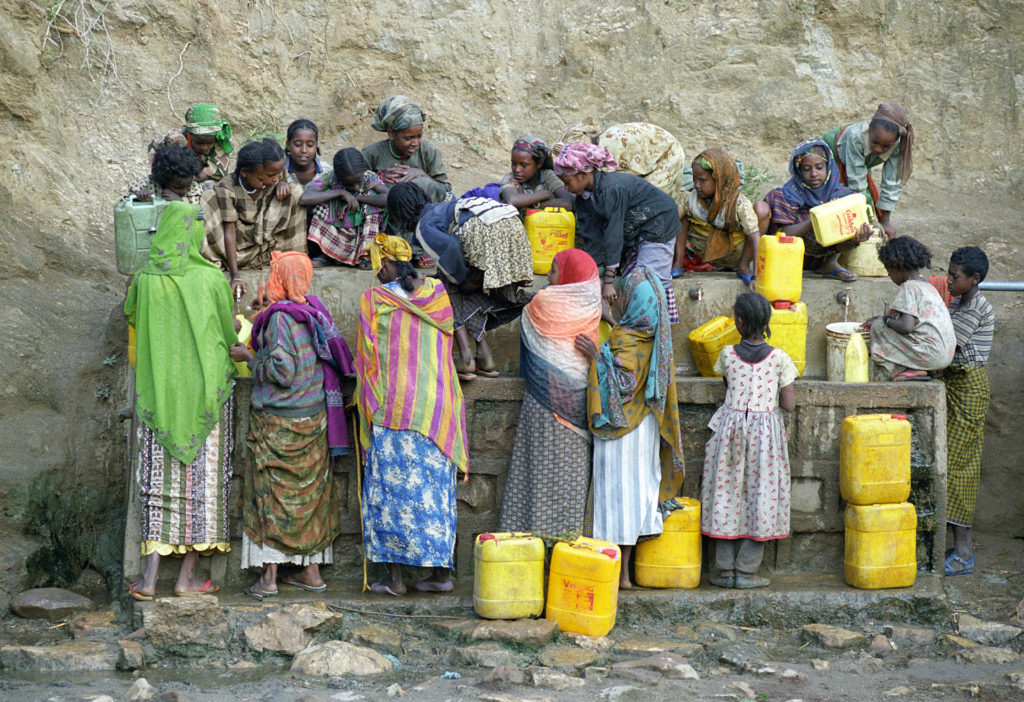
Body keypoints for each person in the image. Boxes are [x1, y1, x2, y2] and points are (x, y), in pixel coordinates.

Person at [124, 173, 237, 600]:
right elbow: (228, 335)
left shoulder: (145, 280)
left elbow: (132, 318)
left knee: (160, 485)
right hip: (206, 399)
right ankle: (187, 578)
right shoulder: (211, 280)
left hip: (160, 396)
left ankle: (149, 581)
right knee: (206, 487)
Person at [230, 251, 354, 600]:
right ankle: (311, 572)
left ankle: (269, 578)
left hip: (279, 423)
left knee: (272, 496)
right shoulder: (311, 310)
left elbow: (282, 371)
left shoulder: (281, 320)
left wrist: (250, 358)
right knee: (310, 498)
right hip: (313, 419)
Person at [355, 234, 468, 596]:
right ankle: (439, 575)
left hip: (394, 411)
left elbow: (367, 359)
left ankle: (395, 580)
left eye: (377, 264)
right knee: (434, 494)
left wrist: (367, 402)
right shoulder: (437, 294)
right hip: (437, 410)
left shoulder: (374, 300)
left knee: (391, 495)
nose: (375, 271)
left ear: (386, 264)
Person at [576, 267, 685, 589]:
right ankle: (631, 571)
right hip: (646, 428)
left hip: (619, 433)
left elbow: (621, 384)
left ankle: (617, 575)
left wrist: (596, 356)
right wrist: (612, 322)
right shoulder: (659, 342)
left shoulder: (623, 339)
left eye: (623, 295)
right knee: (637, 497)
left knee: (613, 502)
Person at [498, 249, 601, 535]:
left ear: (569, 276)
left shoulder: (543, 302)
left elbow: (529, 312)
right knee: (571, 476)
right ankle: (567, 540)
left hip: (543, 405)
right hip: (578, 404)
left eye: (554, 270)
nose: (548, 275)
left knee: (537, 473)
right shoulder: (592, 304)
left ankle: (529, 535)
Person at [388, 182, 534, 380]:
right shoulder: (443, 208)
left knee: (447, 285)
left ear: (400, 214)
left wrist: (462, 280)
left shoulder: (424, 225)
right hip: (514, 226)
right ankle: (485, 356)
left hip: (486, 229)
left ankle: (466, 356)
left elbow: (451, 248)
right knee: (481, 288)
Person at [701, 292, 797, 589]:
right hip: (765, 434)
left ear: (739, 322)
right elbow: (790, 404)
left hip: (730, 431)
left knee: (726, 494)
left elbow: (727, 385)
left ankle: (724, 570)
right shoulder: (780, 358)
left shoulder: (727, 355)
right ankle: (746, 571)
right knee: (762, 497)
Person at [554, 142, 682, 323]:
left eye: (567, 182)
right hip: (637, 229)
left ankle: (651, 329)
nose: (565, 188)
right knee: (630, 280)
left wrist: (607, 283)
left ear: (583, 175)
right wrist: (594, 277)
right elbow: (592, 237)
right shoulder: (584, 198)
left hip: (659, 223)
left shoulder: (610, 189)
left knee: (646, 282)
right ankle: (636, 328)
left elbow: (613, 235)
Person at [942, 246, 995, 576]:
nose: (948, 280)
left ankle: (964, 553)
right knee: (949, 465)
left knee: (960, 469)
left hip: (968, 388)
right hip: (954, 385)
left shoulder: (976, 306)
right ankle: (956, 546)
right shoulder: (959, 301)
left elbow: (948, 343)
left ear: (974, 279)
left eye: (954, 276)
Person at [203, 139, 306, 298]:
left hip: (267, 245)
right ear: (245, 172)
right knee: (208, 199)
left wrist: (284, 182)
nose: (275, 179)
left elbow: (280, 176)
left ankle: (291, 261)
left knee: (295, 192)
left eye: (278, 174)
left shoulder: (275, 176)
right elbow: (229, 233)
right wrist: (235, 275)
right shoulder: (228, 188)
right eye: (270, 175)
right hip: (237, 248)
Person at [763, 138, 874, 281]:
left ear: (828, 167)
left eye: (819, 167)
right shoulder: (787, 195)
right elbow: (784, 234)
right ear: (798, 170)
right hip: (791, 255)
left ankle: (830, 263)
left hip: (823, 255)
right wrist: (816, 219)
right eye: (806, 169)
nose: (814, 173)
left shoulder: (842, 195)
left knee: (846, 214)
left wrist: (856, 236)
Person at [362, 95, 452, 266]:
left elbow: (445, 189)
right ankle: (388, 247)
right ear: (391, 134)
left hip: (421, 217)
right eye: (408, 138)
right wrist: (379, 178)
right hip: (388, 216)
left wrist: (421, 174)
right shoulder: (373, 153)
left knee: (420, 186)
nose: (415, 143)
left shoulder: (428, 152)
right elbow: (356, 181)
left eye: (419, 136)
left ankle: (422, 248)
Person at [861, 237, 955, 381]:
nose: (889, 275)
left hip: (930, 355)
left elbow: (906, 326)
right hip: (945, 356)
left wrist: (885, 320)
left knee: (878, 328)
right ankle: (918, 369)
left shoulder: (909, 287)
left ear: (896, 267)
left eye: (889, 271)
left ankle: (906, 370)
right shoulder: (928, 286)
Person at [674, 148, 767, 289]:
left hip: (735, 252)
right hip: (704, 251)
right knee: (679, 216)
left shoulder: (738, 204)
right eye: (694, 179)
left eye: (702, 180)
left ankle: (743, 266)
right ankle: (678, 263)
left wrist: (756, 276)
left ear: (719, 180)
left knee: (759, 215)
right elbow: (671, 223)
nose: (697, 185)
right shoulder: (690, 199)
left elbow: (754, 238)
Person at [822, 103, 914, 237]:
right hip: (835, 151)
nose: (878, 149)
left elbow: (892, 182)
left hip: (861, 161)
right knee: (837, 200)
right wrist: (865, 223)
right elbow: (857, 185)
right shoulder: (856, 136)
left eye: (886, 146)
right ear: (869, 130)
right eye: (875, 142)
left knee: (865, 203)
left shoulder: (899, 144)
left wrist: (885, 222)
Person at [553, 120, 688, 207]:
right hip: (651, 158)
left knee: (650, 205)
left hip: (667, 156)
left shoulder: (609, 146)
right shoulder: (601, 148)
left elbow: (609, 187)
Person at [301, 148, 389, 268]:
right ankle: (327, 254)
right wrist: (341, 192)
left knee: (373, 203)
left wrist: (357, 198)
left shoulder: (369, 178)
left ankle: (367, 255)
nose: (356, 187)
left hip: (362, 232)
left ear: (364, 171)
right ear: (339, 177)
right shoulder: (331, 177)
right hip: (337, 231)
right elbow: (305, 198)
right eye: (349, 185)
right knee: (321, 204)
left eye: (359, 181)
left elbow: (387, 198)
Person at [149, 103, 233, 186]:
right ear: (190, 134)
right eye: (199, 143)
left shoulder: (221, 140)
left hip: (193, 177)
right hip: (173, 174)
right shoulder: (176, 141)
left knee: (212, 186)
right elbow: (169, 171)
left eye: (209, 143)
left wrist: (187, 182)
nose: (204, 147)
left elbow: (215, 171)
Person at [498, 135, 572, 212]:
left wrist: (529, 204)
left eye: (523, 165)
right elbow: (512, 200)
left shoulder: (548, 175)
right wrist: (545, 194)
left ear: (539, 163)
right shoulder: (510, 178)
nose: (517, 169)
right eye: (513, 163)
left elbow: (567, 203)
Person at [125, 143, 205, 205]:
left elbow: (198, 215)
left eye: (187, 187)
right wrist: (137, 198)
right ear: (163, 180)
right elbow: (121, 208)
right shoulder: (144, 185)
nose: (184, 191)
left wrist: (180, 202)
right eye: (178, 188)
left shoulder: (194, 189)